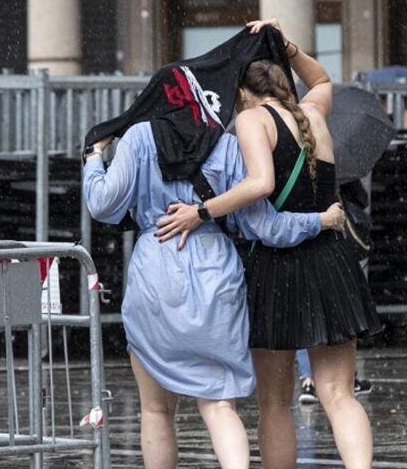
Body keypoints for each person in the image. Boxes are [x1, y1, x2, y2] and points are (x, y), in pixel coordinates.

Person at [156, 18, 382, 469]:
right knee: (337, 393)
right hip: (333, 258)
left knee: (275, 402)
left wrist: (201, 211)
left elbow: (260, 184)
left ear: (242, 89)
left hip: (277, 268)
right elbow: (321, 79)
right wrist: (287, 44)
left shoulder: (251, 120)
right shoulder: (314, 113)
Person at [84, 122, 345, 469]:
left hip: (155, 270)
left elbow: (102, 204)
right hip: (216, 274)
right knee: (220, 405)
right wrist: (320, 220)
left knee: (155, 409)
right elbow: (264, 226)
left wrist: (94, 156)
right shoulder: (225, 143)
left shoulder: (138, 137)